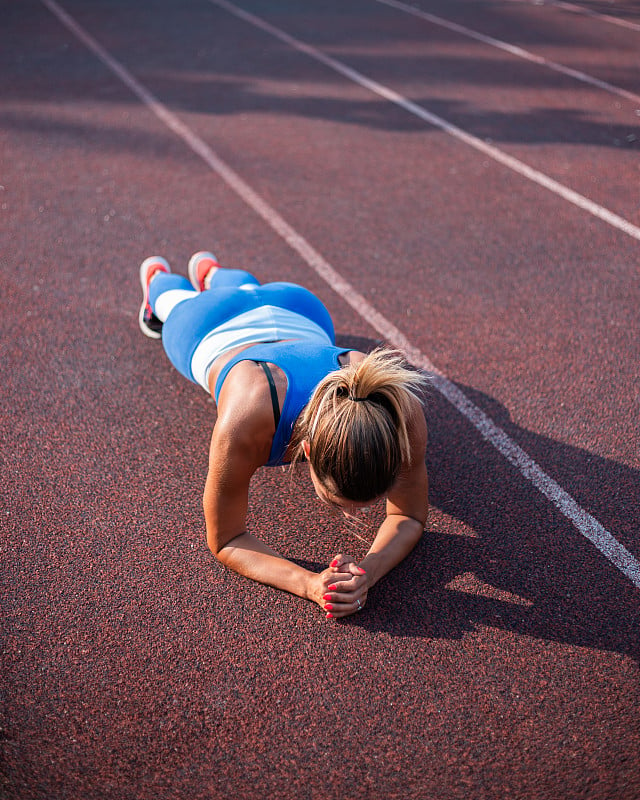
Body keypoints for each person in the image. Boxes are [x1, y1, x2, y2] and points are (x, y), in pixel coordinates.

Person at [138, 250, 429, 619]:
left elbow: (410, 516)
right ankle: (160, 280)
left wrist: (368, 574)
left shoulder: (400, 409)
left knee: (246, 288)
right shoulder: (248, 416)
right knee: (171, 299)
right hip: (208, 322)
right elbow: (226, 538)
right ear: (305, 450)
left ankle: (215, 273)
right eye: (337, 500)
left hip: (299, 306)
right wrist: (307, 583)